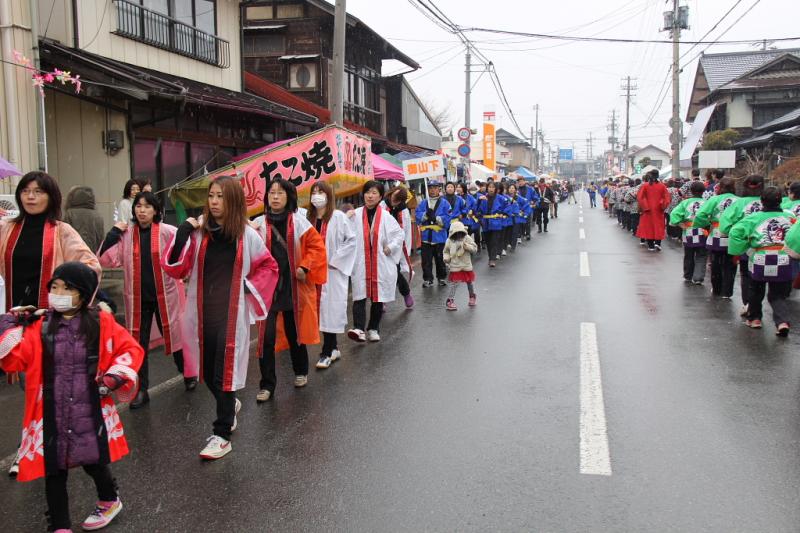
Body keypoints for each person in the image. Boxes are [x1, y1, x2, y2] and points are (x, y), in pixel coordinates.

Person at [0, 262, 144, 532]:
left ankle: (109, 499)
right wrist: (9, 322)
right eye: (54, 287)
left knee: (93, 461)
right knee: (53, 471)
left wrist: (115, 375)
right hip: (49, 412)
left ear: (84, 294)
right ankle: (59, 524)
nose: (58, 292)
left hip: (89, 409)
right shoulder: (40, 325)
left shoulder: (101, 323)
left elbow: (128, 348)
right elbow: (13, 359)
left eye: (67, 288)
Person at [163, 176, 278, 460]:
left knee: (222, 373)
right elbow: (175, 268)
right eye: (211, 196)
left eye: (220, 197)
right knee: (206, 374)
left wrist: (247, 289)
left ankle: (222, 432)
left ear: (234, 201)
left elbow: (268, 266)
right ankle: (229, 406)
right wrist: (182, 232)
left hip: (230, 313)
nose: (214, 202)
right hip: (201, 312)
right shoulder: (199, 234)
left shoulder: (246, 235)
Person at [98, 191, 196, 409]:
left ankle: (188, 372)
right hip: (138, 300)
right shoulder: (125, 236)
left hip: (166, 296)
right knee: (137, 344)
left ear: (156, 211)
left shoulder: (167, 231)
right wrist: (113, 234)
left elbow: (186, 251)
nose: (142, 210)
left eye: (147, 206)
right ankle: (140, 390)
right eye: (138, 206)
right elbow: (105, 259)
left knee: (175, 336)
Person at [256, 179, 327, 399]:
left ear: (289, 196)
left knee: (294, 330)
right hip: (267, 291)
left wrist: (305, 266)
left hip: (292, 288)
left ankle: (301, 370)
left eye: (280, 193)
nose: (275, 197)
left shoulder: (300, 222)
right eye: (271, 193)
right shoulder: (257, 223)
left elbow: (317, 248)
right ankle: (267, 384)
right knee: (265, 337)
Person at [0, 172, 101, 310]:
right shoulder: (6, 228)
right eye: (25, 191)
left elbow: (91, 266)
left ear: (51, 197)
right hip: (11, 314)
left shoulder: (62, 231)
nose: (30, 196)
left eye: (38, 191)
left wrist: (67, 293)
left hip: (50, 317)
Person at [728, 187, 793, 335]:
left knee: (756, 290)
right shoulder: (791, 217)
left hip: (760, 258)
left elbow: (735, 233)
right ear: (781, 200)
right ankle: (782, 322)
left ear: (762, 201)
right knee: (778, 294)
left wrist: (743, 248)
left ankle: (755, 318)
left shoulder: (753, 218)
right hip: (784, 257)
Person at [348, 180, 405, 342]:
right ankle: (358, 328)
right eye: (367, 192)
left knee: (377, 297)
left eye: (374, 193)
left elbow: (399, 234)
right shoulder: (356, 214)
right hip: (361, 263)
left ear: (380, 196)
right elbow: (344, 233)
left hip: (380, 262)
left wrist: (391, 247)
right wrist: (345, 218)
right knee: (359, 295)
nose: (370, 196)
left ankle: (373, 328)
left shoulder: (386, 216)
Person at [308, 181, 356, 370]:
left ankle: (326, 352)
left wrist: (336, 260)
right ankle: (333, 348)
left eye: (321, 192)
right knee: (318, 311)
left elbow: (351, 240)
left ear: (329, 195)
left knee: (330, 311)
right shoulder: (308, 218)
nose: (317, 195)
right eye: (314, 192)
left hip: (331, 272)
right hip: (312, 272)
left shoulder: (337, 217)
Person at [720, 175, 765, 316]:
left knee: (746, 275)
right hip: (766, 245)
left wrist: (729, 234)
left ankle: (748, 304)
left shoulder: (739, 203)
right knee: (761, 278)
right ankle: (757, 307)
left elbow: (725, 222)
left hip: (745, 244)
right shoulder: (769, 202)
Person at [693, 177, 738, 298]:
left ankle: (717, 288)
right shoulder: (739, 201)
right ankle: (727, 292)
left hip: (716, 232)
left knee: (716, 262)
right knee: (730, 263)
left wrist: (707, 224)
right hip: (734, 234)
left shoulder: (714, 199)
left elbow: (700, 215)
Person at [669, 181, 708, 284]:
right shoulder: (707, 203)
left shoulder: (685, 202)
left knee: (689, 254)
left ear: (691, 191)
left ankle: (688, 275)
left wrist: (680, 224)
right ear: (703, 191)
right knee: (701, 254)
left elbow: (674, 214)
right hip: (703, 231)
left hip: (688, 231)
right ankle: (698, 277)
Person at [415, 180, 450, 287]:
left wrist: (437, 218)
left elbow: (448, 218)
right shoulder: (423, 203)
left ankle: (441, 278)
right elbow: (417, 215)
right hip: (426, 237)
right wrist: (426, 215)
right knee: (426, 260)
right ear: (427, 189)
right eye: (430, 188)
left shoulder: (445, 203)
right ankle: (428, 279)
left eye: (435, 188)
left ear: (439, 189)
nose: (432, 190)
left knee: (440, 259)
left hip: (439, 237)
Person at [385, 185, 415, 308]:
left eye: (397, 199)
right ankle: (381, 302)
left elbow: (406, 232)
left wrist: (405, 251)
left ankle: (406, 293)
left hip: (396, 247)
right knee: (381, 275)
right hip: (381, 245)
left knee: (395, 273)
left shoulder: (403, 211)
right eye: (393, 197)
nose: (394, 200)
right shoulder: (382, 205)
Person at [443, 220, 477, 311]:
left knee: (469, 282)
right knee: (455, 283)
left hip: (466, 264)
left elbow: (474, 248)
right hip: (455, 265)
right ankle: (450, 301)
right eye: (456, 232)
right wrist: (446, 258)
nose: (458, 234)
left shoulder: (467, 238)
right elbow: (446, 251)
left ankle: (472, 296)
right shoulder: (449, 241)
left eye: (460, 232)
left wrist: (467, 247)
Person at [636, 170, 671, 251]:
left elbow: (640, 197)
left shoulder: (645, 186)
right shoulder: (662, 186)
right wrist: (662, 206)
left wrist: (645, 207)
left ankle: (650, 245)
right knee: (658, 226)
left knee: (648, 227)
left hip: (647, 211)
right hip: (658, 210)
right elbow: (667, 198)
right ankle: (658, 243)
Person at [63, 186, 105, 253]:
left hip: (75, 254)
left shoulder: (70, 213)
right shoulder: (98, 215)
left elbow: (65, 237)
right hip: (93, 255)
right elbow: (101, 238)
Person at [476, 181, 507, 267]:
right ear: (487, 188)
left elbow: (507, 206)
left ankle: (492, 259)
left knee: (494, 241)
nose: (491, 189)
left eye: (493, 187)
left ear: (495, 189)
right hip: (485, 222)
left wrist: (503, 213)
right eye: (489, 187)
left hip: (496, 222)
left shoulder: (501, 198)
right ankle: (491, 256)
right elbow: (477, 209)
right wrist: (479, 201)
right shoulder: (482, 197)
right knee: (488, 241)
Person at [457, 182, 482, 253]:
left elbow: (475, 205)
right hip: (458, 221)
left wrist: (471, 210)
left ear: (464, 188)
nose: (458, 188)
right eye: (457, 187)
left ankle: (470, 249)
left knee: (467, 237)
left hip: (467, 220)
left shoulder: (469, 197)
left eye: (460, 187)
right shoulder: (455, 197)